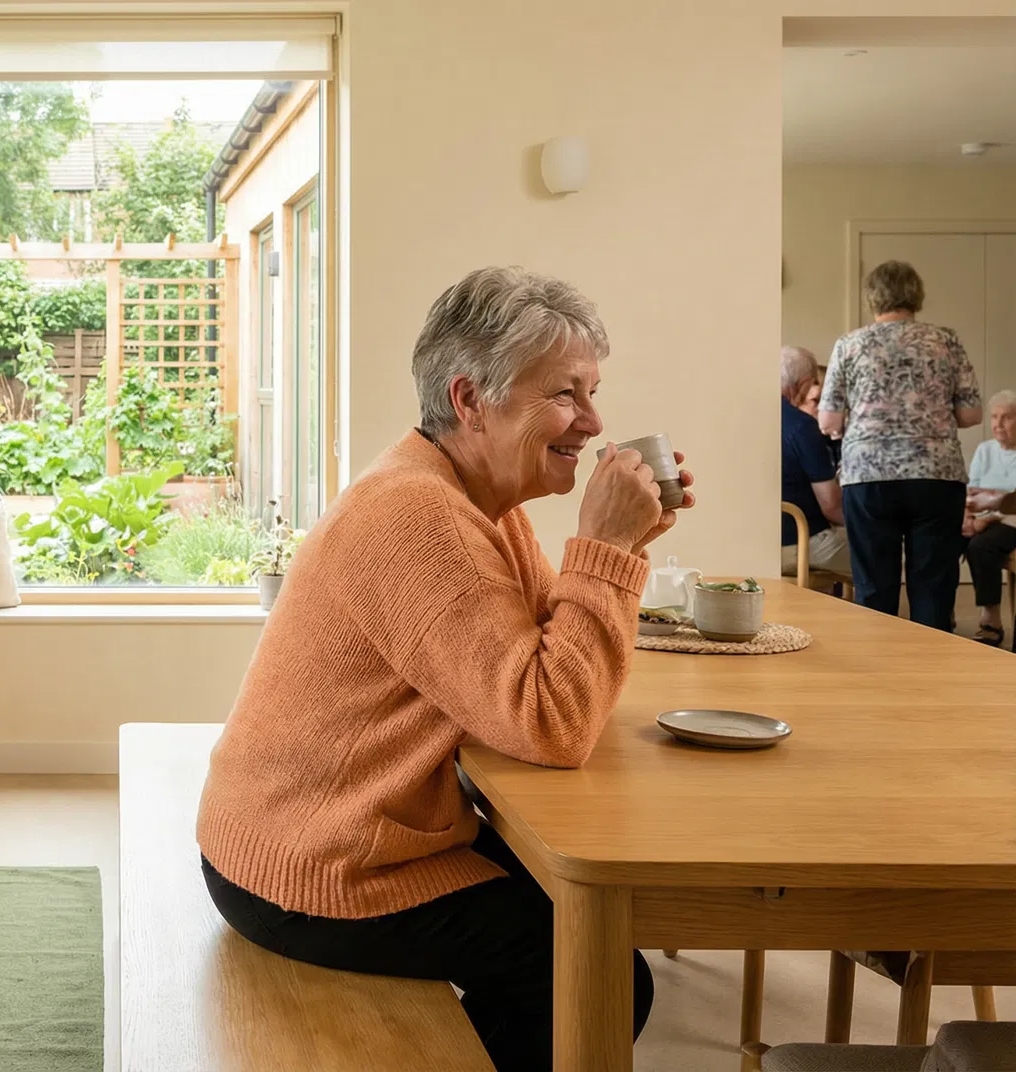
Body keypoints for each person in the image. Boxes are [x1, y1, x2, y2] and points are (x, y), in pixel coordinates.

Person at [197, 267, 693, 1070]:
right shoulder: (422, 519)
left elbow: (544, 651)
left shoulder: (468, 498)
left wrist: (623, 543)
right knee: (594, 977)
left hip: (324, 831)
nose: (594, 421)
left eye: (593, 393)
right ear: (471, 400)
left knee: (584, 923)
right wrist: (603, 548)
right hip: (312, 860)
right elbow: (553, 721)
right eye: (564, 394)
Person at [820, 260, 981, 630]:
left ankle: (877, 661)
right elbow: (971, 414)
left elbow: (828, 422)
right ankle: (931, 662)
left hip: (868, 476)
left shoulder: (849, 344)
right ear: (916, 294)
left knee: (874, 586)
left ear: (872, 297)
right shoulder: (945, 340)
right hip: (936, 475)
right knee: (934, 586)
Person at [780, 345, 850, 577]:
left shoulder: (751, 418)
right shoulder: (802, 425)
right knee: (887, 552)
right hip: (801, 543)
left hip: (756, 543)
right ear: (803, 384)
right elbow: (831, 505)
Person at [962, 390, 1016, 645]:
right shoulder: (985, 450)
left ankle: (991, 618)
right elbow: (971, 489)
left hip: (1011, 521)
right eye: (994, 417)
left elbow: (1013, 502)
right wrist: (967, 516)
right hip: (981, 516)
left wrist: (988, 517)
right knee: (942, 538)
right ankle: (941, 610)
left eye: (1006, 417)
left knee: (981, 546)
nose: (998, 423)